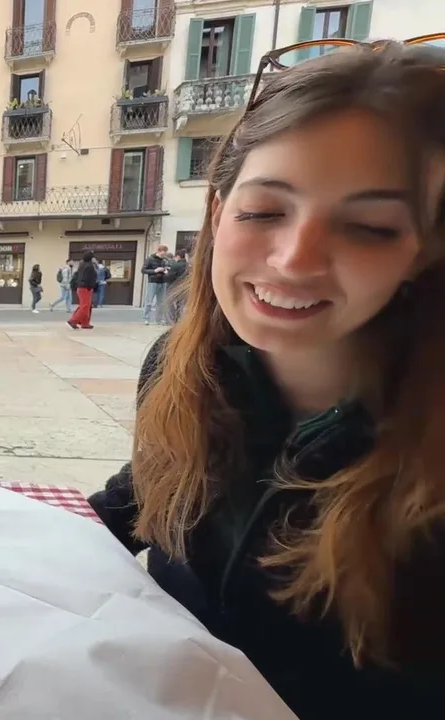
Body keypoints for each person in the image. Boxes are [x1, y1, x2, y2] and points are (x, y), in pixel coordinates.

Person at [88, 42, 445, 719]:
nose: (295, 259)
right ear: (218, 213)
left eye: (368, 227)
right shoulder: (179, 366)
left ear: (424, 250)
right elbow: (143, 497)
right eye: (263, 211)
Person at [141, 244, 171, 324]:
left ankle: (159, 319)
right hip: (153, 281)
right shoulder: (150, 259)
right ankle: (146, 318)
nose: (164, 255)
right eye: (163, 253)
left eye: (165, 253)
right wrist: (155, 271)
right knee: (149, 301)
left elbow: (168, 267)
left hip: (163, 281)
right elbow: (143, 270)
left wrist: (166, 270)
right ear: (158, 251)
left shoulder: (164, 260)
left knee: (161, 302)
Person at [67, 250, 97, 330]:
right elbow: (89, 278)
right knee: (85, 306)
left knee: (85, 306)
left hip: (81, 287)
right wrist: (91, 286)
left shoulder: (82, 264)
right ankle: (73, 321)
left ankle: (85, 323)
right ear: (91, 258)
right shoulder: (90, 266)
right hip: (86, 288)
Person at [165, 249, 190, 322]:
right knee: (181, 303)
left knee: (170, 302)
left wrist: (166, 273)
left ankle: (172, 318)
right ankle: (180, 317)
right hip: (184, 287)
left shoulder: (175, 265)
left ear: (178, 256)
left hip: (173, 286)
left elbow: (170, 277)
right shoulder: (188, 265)